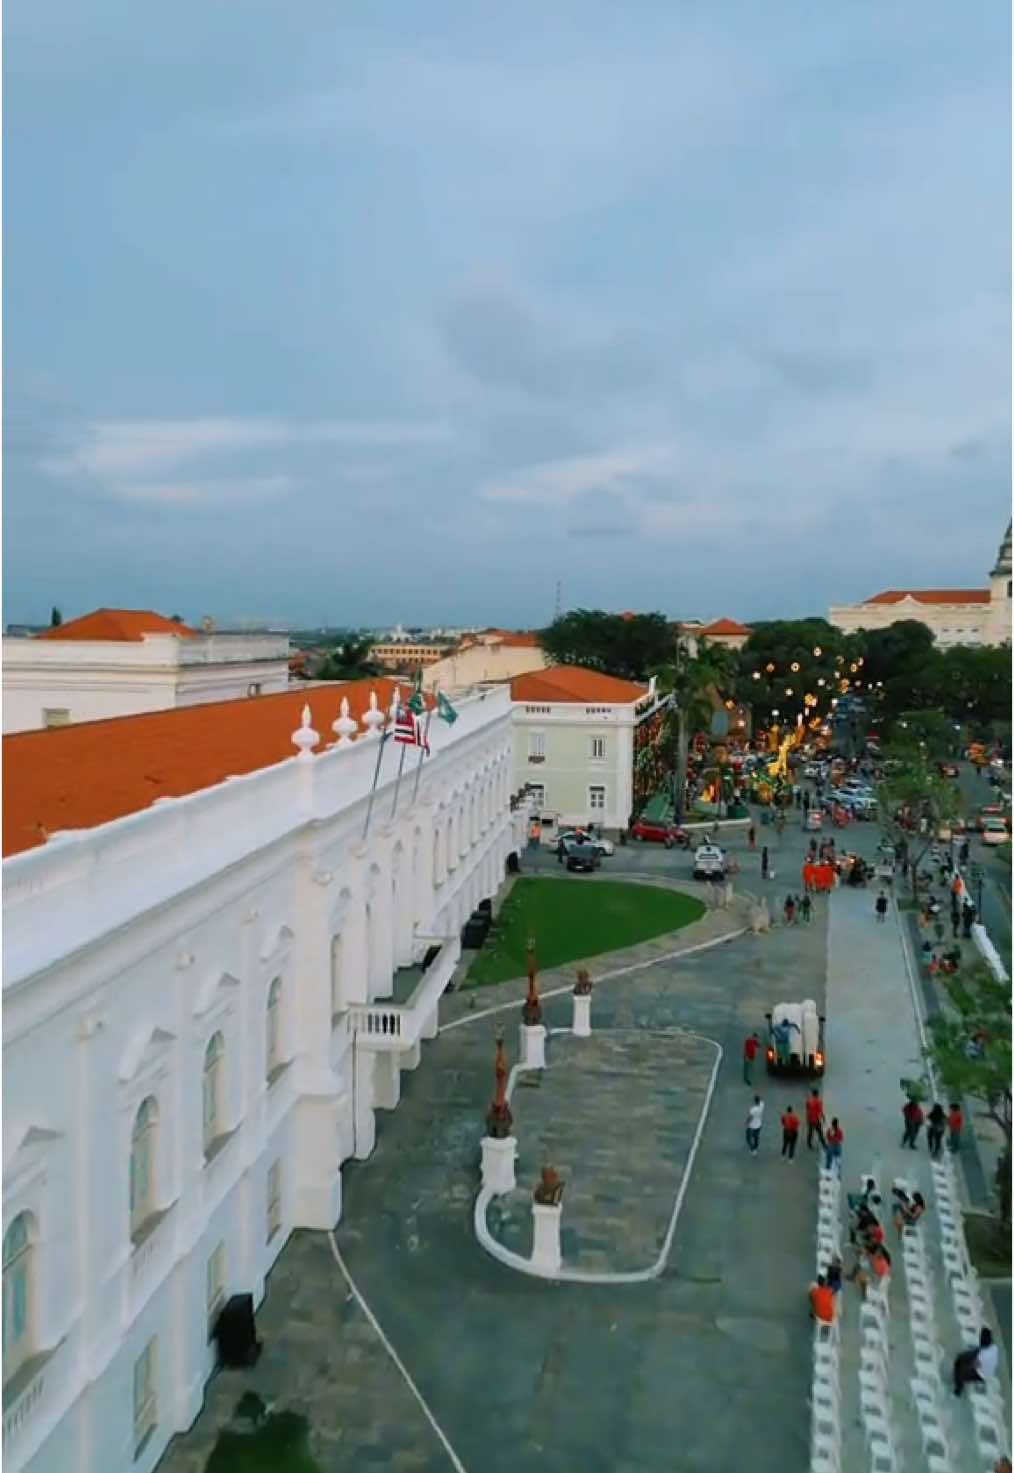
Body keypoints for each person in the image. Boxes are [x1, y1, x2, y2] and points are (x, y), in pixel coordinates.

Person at [953, 1327, 998, 1397]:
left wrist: (963, 1362)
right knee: (966, 1356)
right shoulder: (994, 1347)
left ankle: (958, 1389)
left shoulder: (984, 1356)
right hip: (987, 1369)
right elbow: (978, 1351)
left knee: (960, 1368)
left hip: (982, 1375)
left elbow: (973, 1365)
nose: (979, 1337)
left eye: (981, 1336)